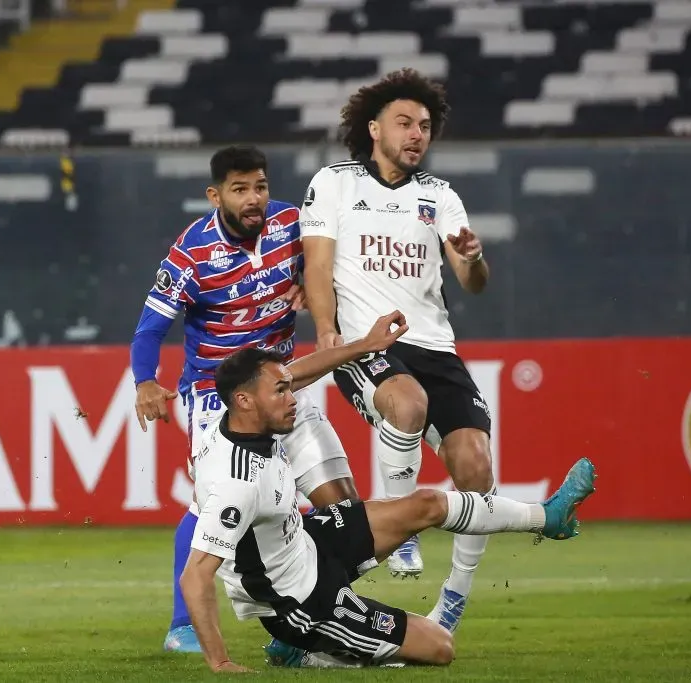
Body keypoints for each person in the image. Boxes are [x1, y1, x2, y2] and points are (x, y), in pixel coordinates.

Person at [181, 347, 597, 672]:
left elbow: (300, 370)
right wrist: (220, 663)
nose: (293, 397)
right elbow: (196, 576)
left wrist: (365, 345)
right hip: (304, 601)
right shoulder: (234, 484)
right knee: (439, 647)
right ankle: (310, 651)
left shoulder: (246, 416)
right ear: (245, 400)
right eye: (281, 391)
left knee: (428, 503)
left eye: (289, 386)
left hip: (307, 541)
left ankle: (549, 518)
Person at [130, 145, 360, 653]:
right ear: (215, 195)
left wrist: (311, 286)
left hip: (283, 385)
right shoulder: (191, 253)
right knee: (210, 506)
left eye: (260, 186)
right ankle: (182, 625)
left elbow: (331, 274)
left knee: (345, 506)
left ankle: (307, 622)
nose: (254, 198)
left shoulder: (291, 226)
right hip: (218, 397)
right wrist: (145, 381)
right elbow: (149, 330)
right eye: (240, 189)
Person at [300, 68, 494, 631]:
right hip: (370, 342)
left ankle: (453, 599)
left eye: (425, 126)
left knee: (475, 466)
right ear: (374, 128)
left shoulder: (439, 196)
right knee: (406, 404)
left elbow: (471, 279)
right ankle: (403, 531)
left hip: (436, 346)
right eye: (404, 123)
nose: (416, 135)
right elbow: (316, 265)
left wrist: (475, 257)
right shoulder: (335, 182)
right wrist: (327, 332)